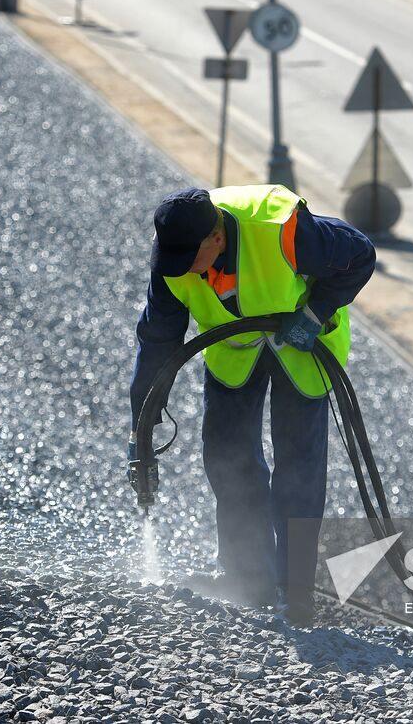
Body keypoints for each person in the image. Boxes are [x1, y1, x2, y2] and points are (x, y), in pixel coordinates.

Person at [129, 185, 375, 626]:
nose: (185, 272)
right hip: (234, 352)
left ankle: (295, 593)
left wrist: (316, 313)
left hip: (303, 348)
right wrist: (141, 426)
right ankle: (249, 580)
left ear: (216, 239)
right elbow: (158, 338)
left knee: (297, 469)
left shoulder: (280, 228)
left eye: (192, 262)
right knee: (228, 460)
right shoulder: (174, 253)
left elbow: (360, 254)